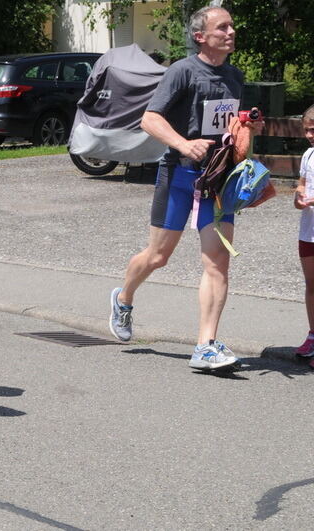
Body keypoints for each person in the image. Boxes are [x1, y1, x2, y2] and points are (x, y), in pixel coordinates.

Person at [108, 6, 263, 371]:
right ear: (200, 36)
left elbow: (227, 129)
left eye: (231, 26)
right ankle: (124, 297)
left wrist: (244, 130)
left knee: (217, 262)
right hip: (179, 176)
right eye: (221, 27)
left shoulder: (234, 77)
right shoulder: (182, 71)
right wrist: (183, 144)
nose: (231, 32)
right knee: (158, 257)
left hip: (218, 180)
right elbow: (149, 118)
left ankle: (205, 345)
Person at [293, 105, 314, 363]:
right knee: (311, 285)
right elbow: (301, 184)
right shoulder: (308, 155)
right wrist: (298, 197)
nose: (310, 135)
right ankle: (312, 335)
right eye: (307, 130)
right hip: (308, 231)